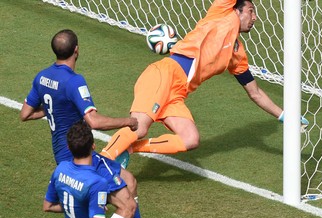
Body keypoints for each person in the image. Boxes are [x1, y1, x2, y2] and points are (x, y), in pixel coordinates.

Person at [100, 0, 308, 162]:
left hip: (178, 93)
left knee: (190, 139)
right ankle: (101, 162)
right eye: (251, 10)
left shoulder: (237, 53)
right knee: (140, 127)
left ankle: (130, 148)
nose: (255, 17)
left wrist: (285, 116)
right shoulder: (222, 11)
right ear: (237, 10)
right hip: (164, 74)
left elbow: (255, 93)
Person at [20, 29, 145, 218]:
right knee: (127, 204)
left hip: (63, 156)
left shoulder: (41, 77)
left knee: (129, 181)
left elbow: (26, 113)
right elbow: (94, 121)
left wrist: (56, 110)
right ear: (76, 50)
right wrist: (128, 122)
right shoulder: (74, 81)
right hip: (81, 155)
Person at [43, 121, 141, 218]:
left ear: (68, 147)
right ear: (93, 146)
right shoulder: (97, 183)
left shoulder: (60, 169)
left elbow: (48, 206)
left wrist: (83, 206)